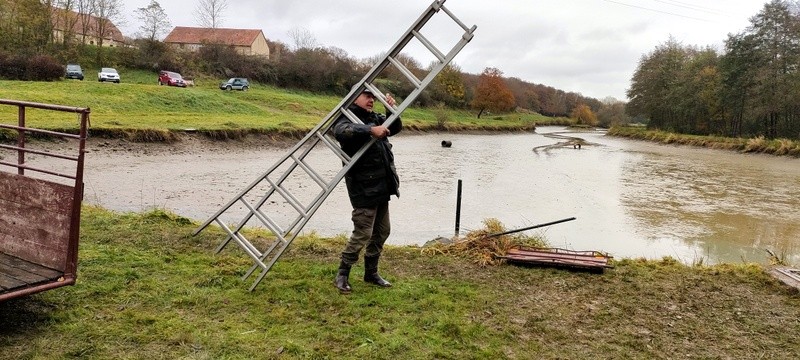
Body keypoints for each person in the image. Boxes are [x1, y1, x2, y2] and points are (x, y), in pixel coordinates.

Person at [332, 87, 402, 294]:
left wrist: (391, 110)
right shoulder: (346, 117)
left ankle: (371, 273)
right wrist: (371, 131)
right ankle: (342, 273)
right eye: (367, 96)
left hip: (382, 187)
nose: (371, 100)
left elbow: (395, 127)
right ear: (355, 98)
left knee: (382, 232)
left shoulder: (374, 117)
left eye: (373, 97)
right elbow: (341, 131)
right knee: (363, 233)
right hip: (363, 188)